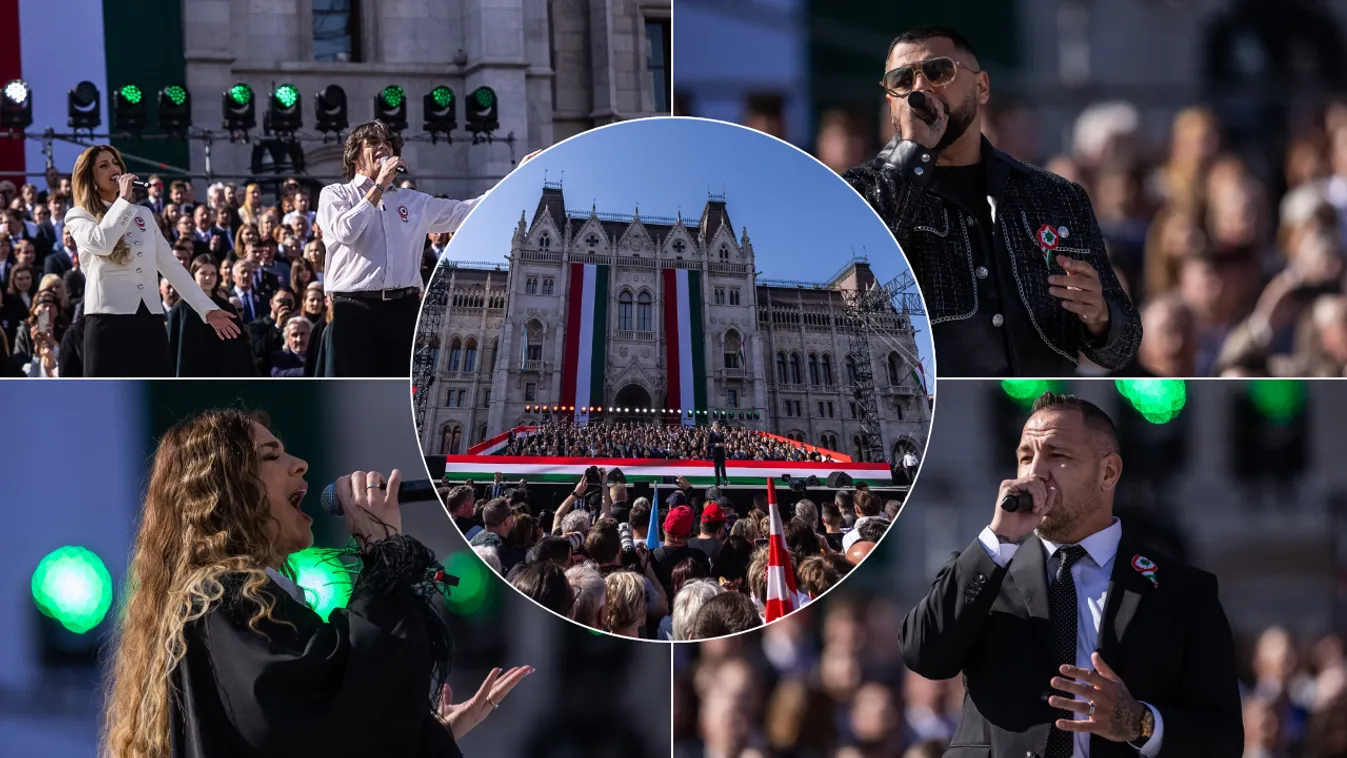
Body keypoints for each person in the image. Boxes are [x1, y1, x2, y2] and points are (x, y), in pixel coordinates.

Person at [101, 409, 532, 758]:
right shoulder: (220, 599)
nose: (299, 464)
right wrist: (380, 550)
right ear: (228, 488)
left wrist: (420, 735)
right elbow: (320, 723)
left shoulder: (249, 598)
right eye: (271, 456)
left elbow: (341, 725)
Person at [897, 392, 1242, 756]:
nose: (1035, 473)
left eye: (1057, 456)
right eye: (1025, 457)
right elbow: (923, 653)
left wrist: (1141, 723)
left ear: (1108, 472)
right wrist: (999, 538)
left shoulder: (1182, 591)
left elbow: (1222, 740)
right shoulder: (987, 568)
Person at [843, 27, 1141, 376]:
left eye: (938, 71)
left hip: (1042, 399)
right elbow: (862, 264)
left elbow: (1125, 346)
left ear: (981, 87)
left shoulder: (1058, 196)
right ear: (891, 103)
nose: (920, 89)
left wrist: (1100, 317)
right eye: (902, 80)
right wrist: (913, 152)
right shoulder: (858, 191)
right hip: (936, 405)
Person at [317, 121, 533, 376]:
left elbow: (465, 211)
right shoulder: (336, 195)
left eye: (387, 144)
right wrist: (379, 187)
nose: (383, 148)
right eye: (373, 143)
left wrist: (513, 180)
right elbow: (346, 231)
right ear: (354, 156)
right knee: (352, 392)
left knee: (401, 391)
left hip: (402, 309)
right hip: (353, 310)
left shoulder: (412, 201)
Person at [64, 145, 239, 376]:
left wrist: (207, 309)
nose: (113, 168)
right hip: (107, 320)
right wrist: (123, 200)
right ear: (90, 178)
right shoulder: (78, 215)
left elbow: (170, 265)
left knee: (157, 388)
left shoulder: (142, 215)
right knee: (107, 389)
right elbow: (102, 243)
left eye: (115, 162)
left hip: (149, 318)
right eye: (103, 166)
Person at [166, 254, 255, 377]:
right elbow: (170, 350)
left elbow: (239, 352)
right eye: (203, 273)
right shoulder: (181, 309)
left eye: (213, 274)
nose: (208, 278)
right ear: (193, 275)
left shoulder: (226, 309)